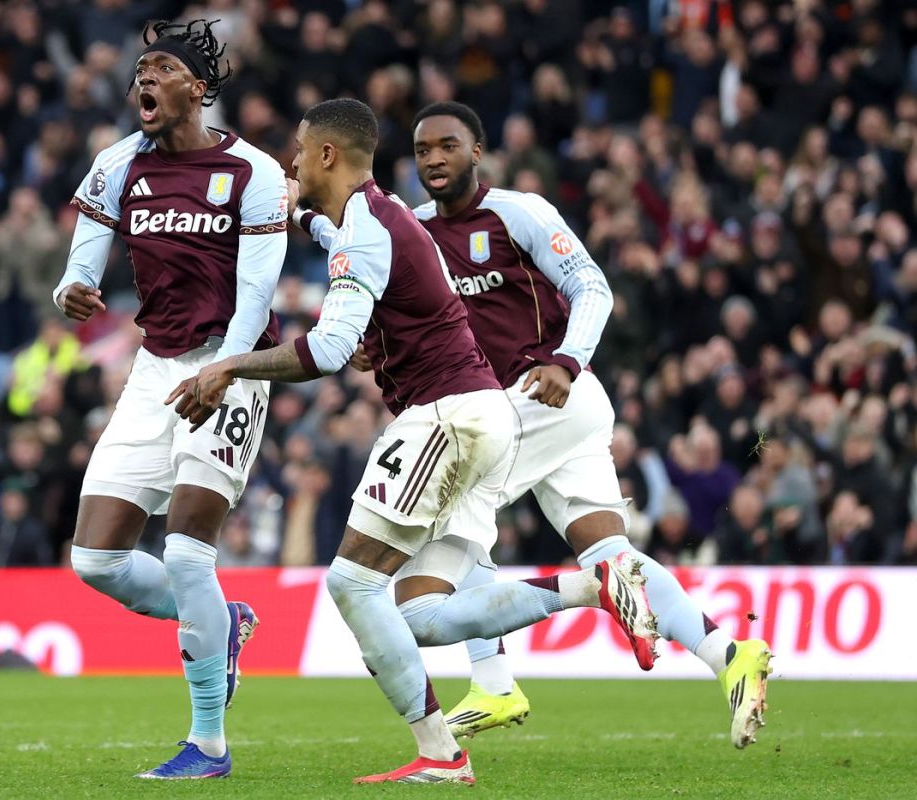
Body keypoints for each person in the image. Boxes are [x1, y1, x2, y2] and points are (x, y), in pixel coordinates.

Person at [176, 98, 657, 785]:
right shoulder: (376, 217)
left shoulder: (368, 227)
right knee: (422, 616)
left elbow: (330, 348)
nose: (290, 162)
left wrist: (228, 365)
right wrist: (304, 215)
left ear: (327, 156)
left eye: (299, 150)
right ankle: (594, 585)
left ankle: (441, 753)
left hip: (445, 418)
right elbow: (345, 247)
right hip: (474, 416)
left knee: (351, 583)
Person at [309, 102, 771, 748]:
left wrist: (567, 360)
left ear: (479, 151)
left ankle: (495, 681)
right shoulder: (409, 229)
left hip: (537, 396)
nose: (434, 159)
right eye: (422, 150)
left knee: (440, 542)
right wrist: (369, 345)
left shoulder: (518, 212)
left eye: (448, 145)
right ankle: (729, 655)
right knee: (612, 556)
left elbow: (592, 286)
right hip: (529, 411)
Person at [51, 20, 289, 780]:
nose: (142, 83)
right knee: (95, 559)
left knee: (187, 553)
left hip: (233, 366)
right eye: (138, 72)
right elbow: (80, 262)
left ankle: (208, 743)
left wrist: (222, 372)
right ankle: (224, 623)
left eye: (159, 70)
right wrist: (72, 290)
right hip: (155, 370)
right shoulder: (119, 164)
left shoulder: (251, 172)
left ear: (199, 88)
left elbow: (257, 296)